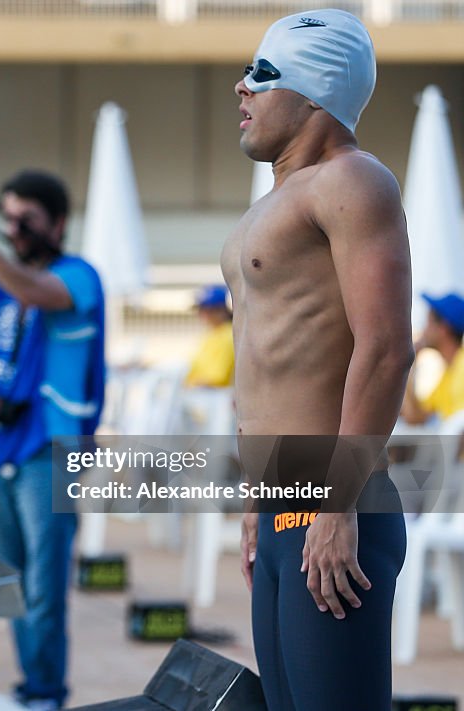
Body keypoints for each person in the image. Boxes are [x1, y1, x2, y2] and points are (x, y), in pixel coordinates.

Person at [226, 10, 414, 711]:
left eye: (262, 75)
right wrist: (255, 497)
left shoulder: (353, 181)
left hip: (334, 496)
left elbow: (388, 347)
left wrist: (336, 500)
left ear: (316, 96)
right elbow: (265, 360)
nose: (240, 88)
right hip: (281, 498)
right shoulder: (273, 204)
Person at [0, 169, 105, 711]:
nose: (12, 230)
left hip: (50, 452)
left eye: (25, 221)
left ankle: (45, 693)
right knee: (12, 585)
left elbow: (35, 290)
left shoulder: (79, 276)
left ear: (58, 223)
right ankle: (31, 686)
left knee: (43, 590)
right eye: (6, 217)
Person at [401, 293, 464, 425]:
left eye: (428, 322)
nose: (424, 330)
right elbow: (414, 417)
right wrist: (410, 363)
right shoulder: (448, 374)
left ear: (443, 328)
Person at [184, 284, 234, 388]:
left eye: (209, 309)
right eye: (201, 309)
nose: (203, 314)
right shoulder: (212, 334)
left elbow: (217, 379)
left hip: (214, 398)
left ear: (222, 310)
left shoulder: (228, 335)